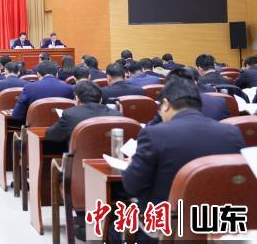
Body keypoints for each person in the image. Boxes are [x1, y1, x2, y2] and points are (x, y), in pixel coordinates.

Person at [122, 77, 245, 216]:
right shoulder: (232, 132)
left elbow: (132, 186)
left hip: (168, 222)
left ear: (166, 104)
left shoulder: (153, 134)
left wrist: (131, 164)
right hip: (220, 219)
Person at [45, 80, 121, 147]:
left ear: (77, 99)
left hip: (79, 159)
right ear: (101, 99)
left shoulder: (69, 115)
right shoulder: (117, 116)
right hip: (111, 158)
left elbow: (51, 135)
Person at [12, 61, 74, 125]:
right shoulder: (70, 88)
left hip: (35, 129)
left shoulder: (29, 88)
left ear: (38, 74)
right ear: (57, 74)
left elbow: (17, 115)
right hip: (62, 128)